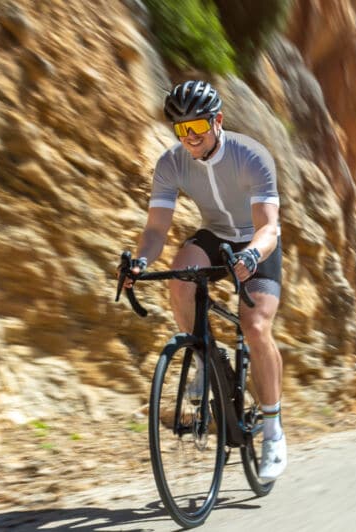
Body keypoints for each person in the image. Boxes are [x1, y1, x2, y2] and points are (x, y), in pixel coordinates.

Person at [124, 80, 287, 482]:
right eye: (181, 131)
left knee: (255, 326)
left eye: (196, 128)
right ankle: (201, 357)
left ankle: (273, 430)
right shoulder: (170, 163)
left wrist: (251, 254)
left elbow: (269, 228)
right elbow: (156, 230)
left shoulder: (251, 156)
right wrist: (141, 261)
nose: (189, 139)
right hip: (214, 234)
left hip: (255, 241)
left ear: (217, 121)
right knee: (179, 281)